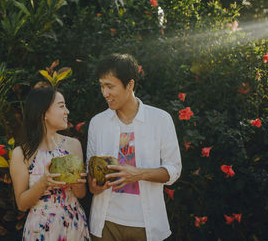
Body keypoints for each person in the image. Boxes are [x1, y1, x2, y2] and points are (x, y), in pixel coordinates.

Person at [87, 53, 182, 241]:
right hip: (105, 223)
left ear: (129, 85)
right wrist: (94, 186)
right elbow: (90, 170)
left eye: (110, 86)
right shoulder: (97, 123)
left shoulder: (160, 120)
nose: (105, 93)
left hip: (145, 225)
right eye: (101, 86)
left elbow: (174, 170)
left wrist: (138, 174)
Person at [10, 87, 90, 241]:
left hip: (74, 224)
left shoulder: (73, 145)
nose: (67, 111)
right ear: (44, 113)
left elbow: (81, 194)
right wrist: (43, 182)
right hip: (41, 229)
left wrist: (77, 182)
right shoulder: (21, 154)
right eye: (61, 106)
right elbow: (21, 204)